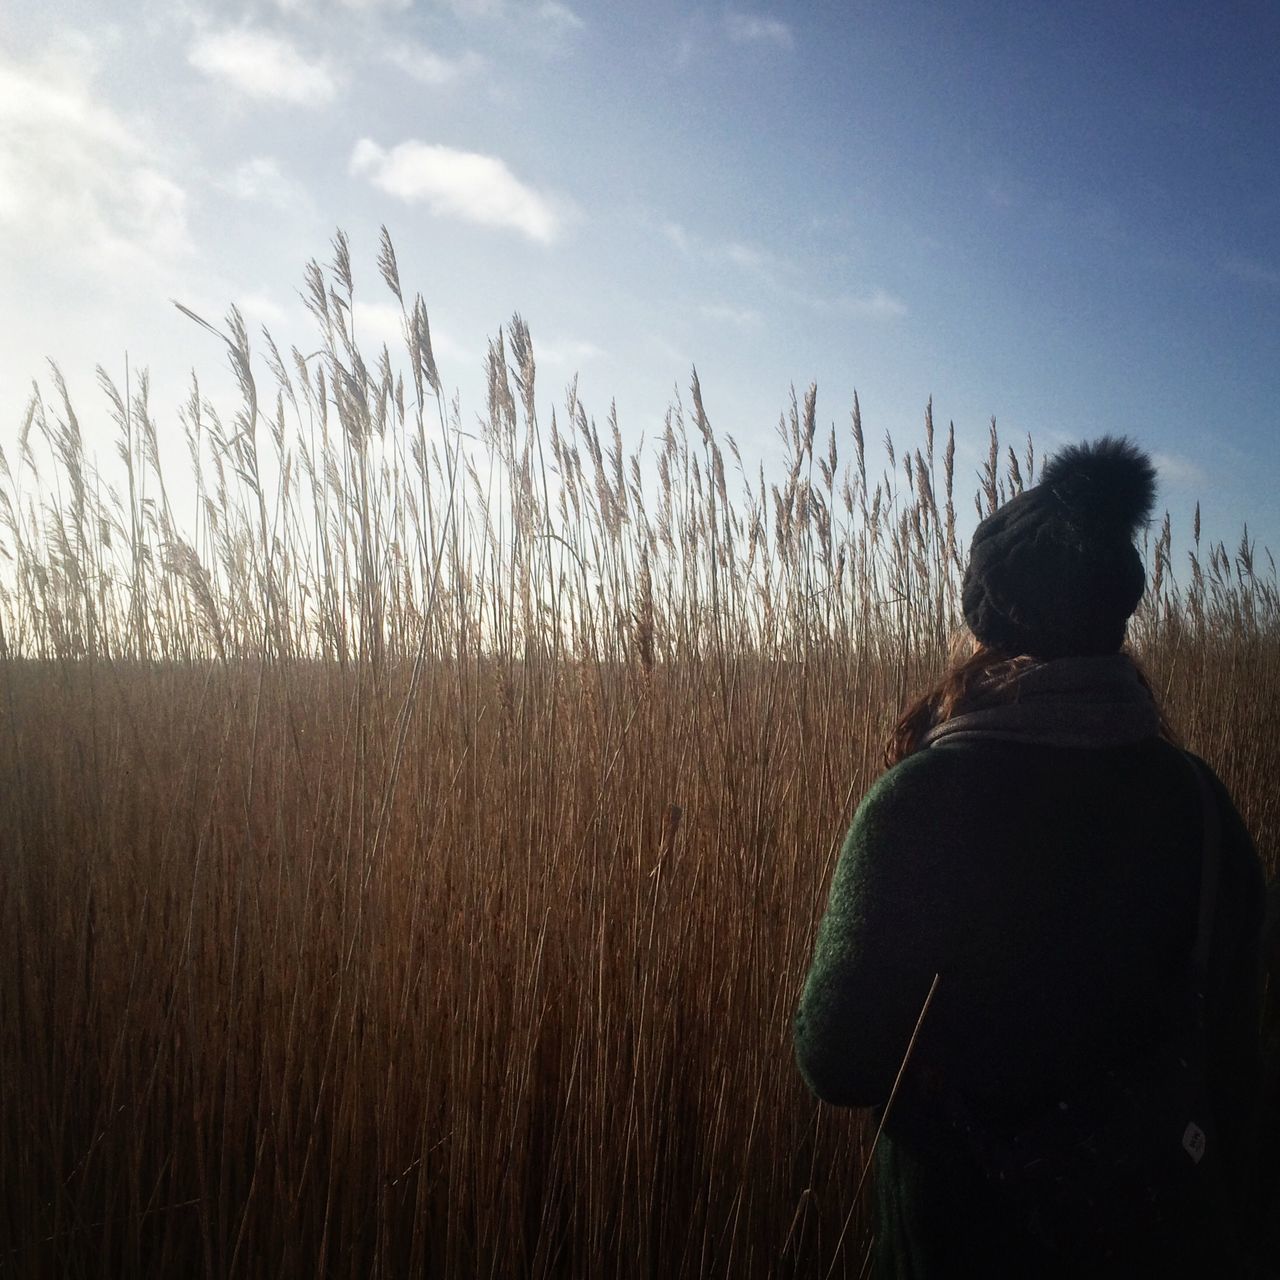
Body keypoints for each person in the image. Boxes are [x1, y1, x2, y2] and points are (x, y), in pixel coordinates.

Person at [793, 438, 1269, 1278]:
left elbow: (838, 1058)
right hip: (1164, 1235)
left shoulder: (921, 801)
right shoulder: (1199, 801)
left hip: (965, 1242)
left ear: (983, 623)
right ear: (1115, 621)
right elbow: (1240, 1038)